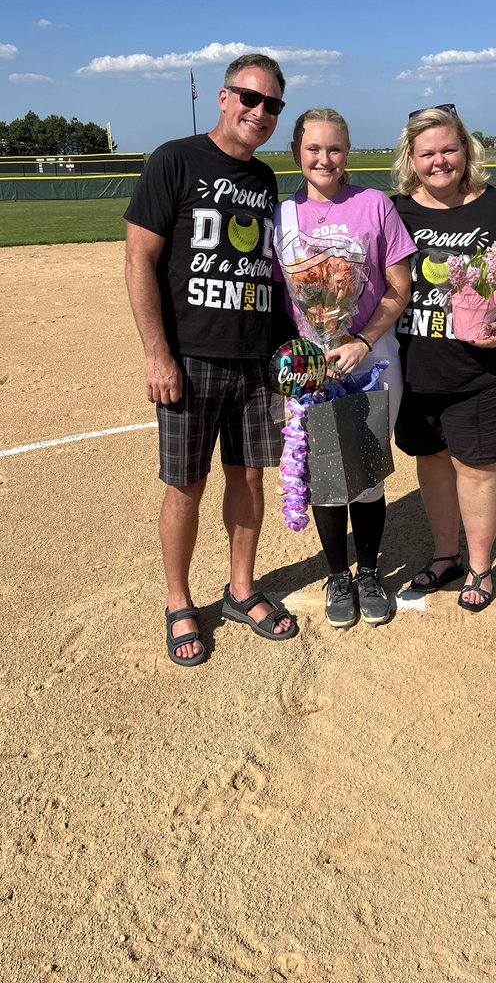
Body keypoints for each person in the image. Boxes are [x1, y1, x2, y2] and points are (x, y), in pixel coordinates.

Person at [124, 53, 298, 666]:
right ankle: (179, 601)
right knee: (185, 485)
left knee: (249, 477)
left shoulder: (265, 181)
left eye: (273, 104)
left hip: (255, 361)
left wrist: (288, 352)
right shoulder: (175, 159)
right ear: (224, 98)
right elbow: (139, 260)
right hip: (191, 357)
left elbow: (270, 274)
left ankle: (241, 590)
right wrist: (157, 353)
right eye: (250, 98)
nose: (260, 112)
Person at [392, 104, 496, 611]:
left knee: (477, 466)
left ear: (466, 149)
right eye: (428, 153)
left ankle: (479, 568)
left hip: (483, 370)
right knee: (432, 461)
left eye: (449, 149)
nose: (440, 161)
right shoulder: (394, 211)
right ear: (410, 158)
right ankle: (446, 555)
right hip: (415, 369)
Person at [274, 109, 416, 629]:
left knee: (369, 474)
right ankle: (339, 574)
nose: (324, 159)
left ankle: (371, 570)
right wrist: (299, 356)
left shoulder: (374, 205)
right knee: (326, 474)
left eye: (334, 149)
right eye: (313, 149)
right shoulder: (282, 215)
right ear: (297, 154)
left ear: (347, 154)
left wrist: (361, 339)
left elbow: (399, 289)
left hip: (372, 359)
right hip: (312, 365)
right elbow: (275, 297)